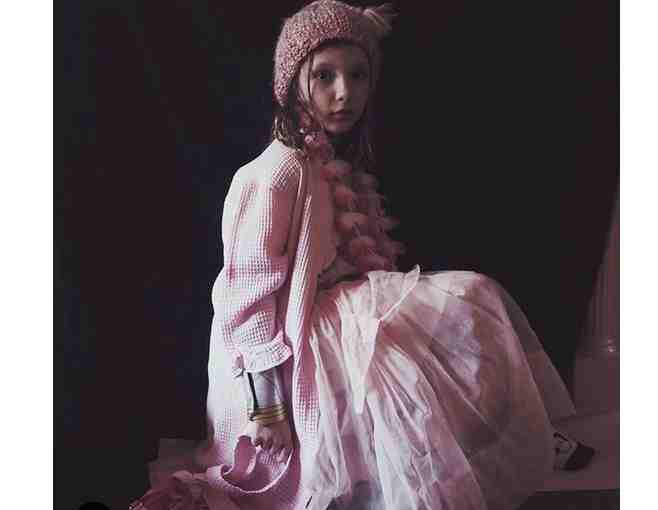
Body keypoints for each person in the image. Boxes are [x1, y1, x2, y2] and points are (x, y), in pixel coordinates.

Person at [129, 2, 595, 509]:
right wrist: (268, 409)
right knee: (462, 301)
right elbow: (245, 303)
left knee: (467, 303)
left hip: (333, 310)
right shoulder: (276, 173)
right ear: (292, 85)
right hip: (283, 348)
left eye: (357, 76)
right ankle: (515, 432)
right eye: (324, 76)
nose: (344, 93)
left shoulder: (332, 162)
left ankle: (524, 428)